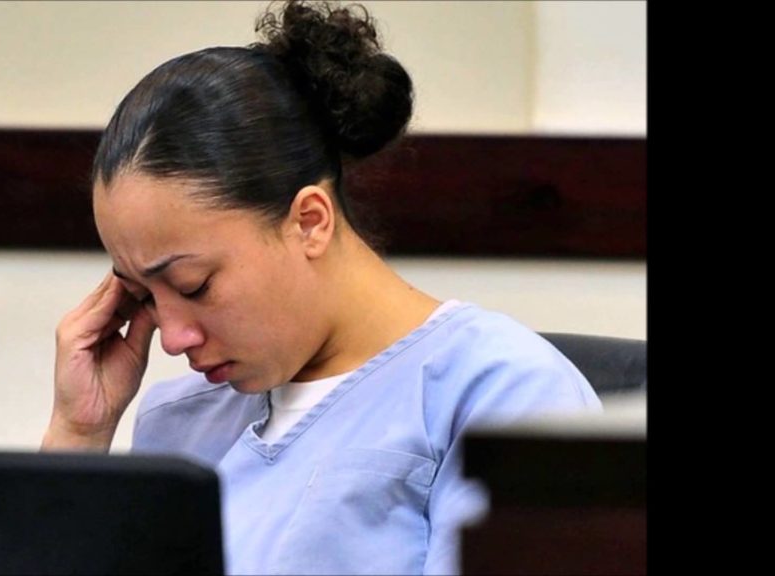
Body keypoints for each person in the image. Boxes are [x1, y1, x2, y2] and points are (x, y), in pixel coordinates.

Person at [41, 1, 602, 574]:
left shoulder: (506, 396)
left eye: (194, 285)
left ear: (310, 221)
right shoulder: (181, 423)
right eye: (143, 297)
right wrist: (78, 431)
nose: (172, 337)